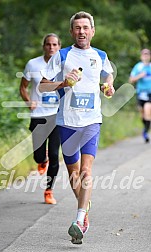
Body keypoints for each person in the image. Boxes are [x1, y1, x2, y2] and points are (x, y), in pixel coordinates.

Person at [39, 11, 115, 244]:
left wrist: (108, 87)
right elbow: (42, 87)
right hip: (67, 122)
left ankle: (79, 218)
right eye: (77, 28)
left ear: (92, 31)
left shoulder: (100, 55)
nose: (82, 31)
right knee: (74, 176)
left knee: (86, 171)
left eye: (86, 27)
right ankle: (85, 214)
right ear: (71, 32)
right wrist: (63, 83)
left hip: (92, 120)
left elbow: (109, 76)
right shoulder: (61, 56)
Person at [20, 33, 61, 204]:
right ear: (44, 46)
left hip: (57, 116)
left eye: (54, 45)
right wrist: (29, 102)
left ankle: (49, 191)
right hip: (38, 115)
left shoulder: (64, 64)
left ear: (59, 47)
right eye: (48, 44)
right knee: (38, 156)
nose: (51, 48)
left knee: (54, 154)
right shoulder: (33, 64)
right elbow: (23, 87)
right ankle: (41, 159)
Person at [129, 48, 151, 143]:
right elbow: (131, 80)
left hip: (150, 93)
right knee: (142, 114)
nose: (146, 55)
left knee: (147, 111)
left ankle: (145, 132)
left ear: (149, 56)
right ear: (141, 56)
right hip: (140, 93)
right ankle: (145, 128)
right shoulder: (138, 67)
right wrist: (140, 76)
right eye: (144, 54)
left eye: (147, 54)